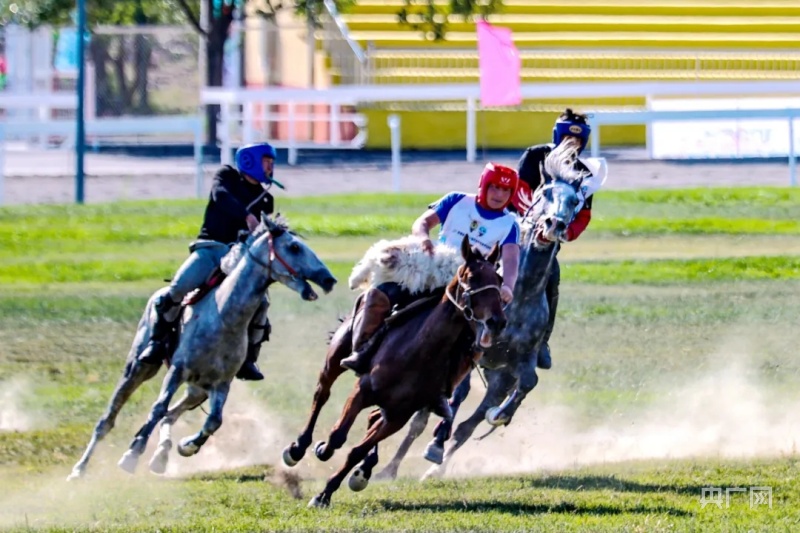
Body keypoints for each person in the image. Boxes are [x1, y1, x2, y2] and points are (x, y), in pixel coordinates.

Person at [339, 162, 522, 380]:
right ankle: (362, 350)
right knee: (383, 295)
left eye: (506, 190)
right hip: (433, 269)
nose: (499, 194)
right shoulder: (457, 200)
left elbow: (511, 259)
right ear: (484, 185)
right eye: (494, 187)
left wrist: (508, 286)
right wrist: (423, 238)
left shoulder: (510, 224)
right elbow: (423, 222)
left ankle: (448, 387)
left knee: (474, 337)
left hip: (469, 286)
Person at [138, 142, 280, 381]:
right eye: (267, 161)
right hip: (210, 249)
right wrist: (246, 216)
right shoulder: (227, 176)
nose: (271, 167)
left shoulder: (267, 200)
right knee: (179, 287)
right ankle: (157, 342)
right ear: (250, 161)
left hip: (240, 261)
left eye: (272, 163)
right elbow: (220, 196)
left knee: (261, 304)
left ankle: (248, 359)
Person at [512, 108, 605, 370]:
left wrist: (567, 232)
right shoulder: (535, 156)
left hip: (549, 243)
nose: (570, 144)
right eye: (567, 138)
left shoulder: (586, 173)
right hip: (517, 233)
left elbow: (583, 214)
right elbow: (520, 192)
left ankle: (541, 341)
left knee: (552, 279)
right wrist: (532, 221)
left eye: (576, 140)